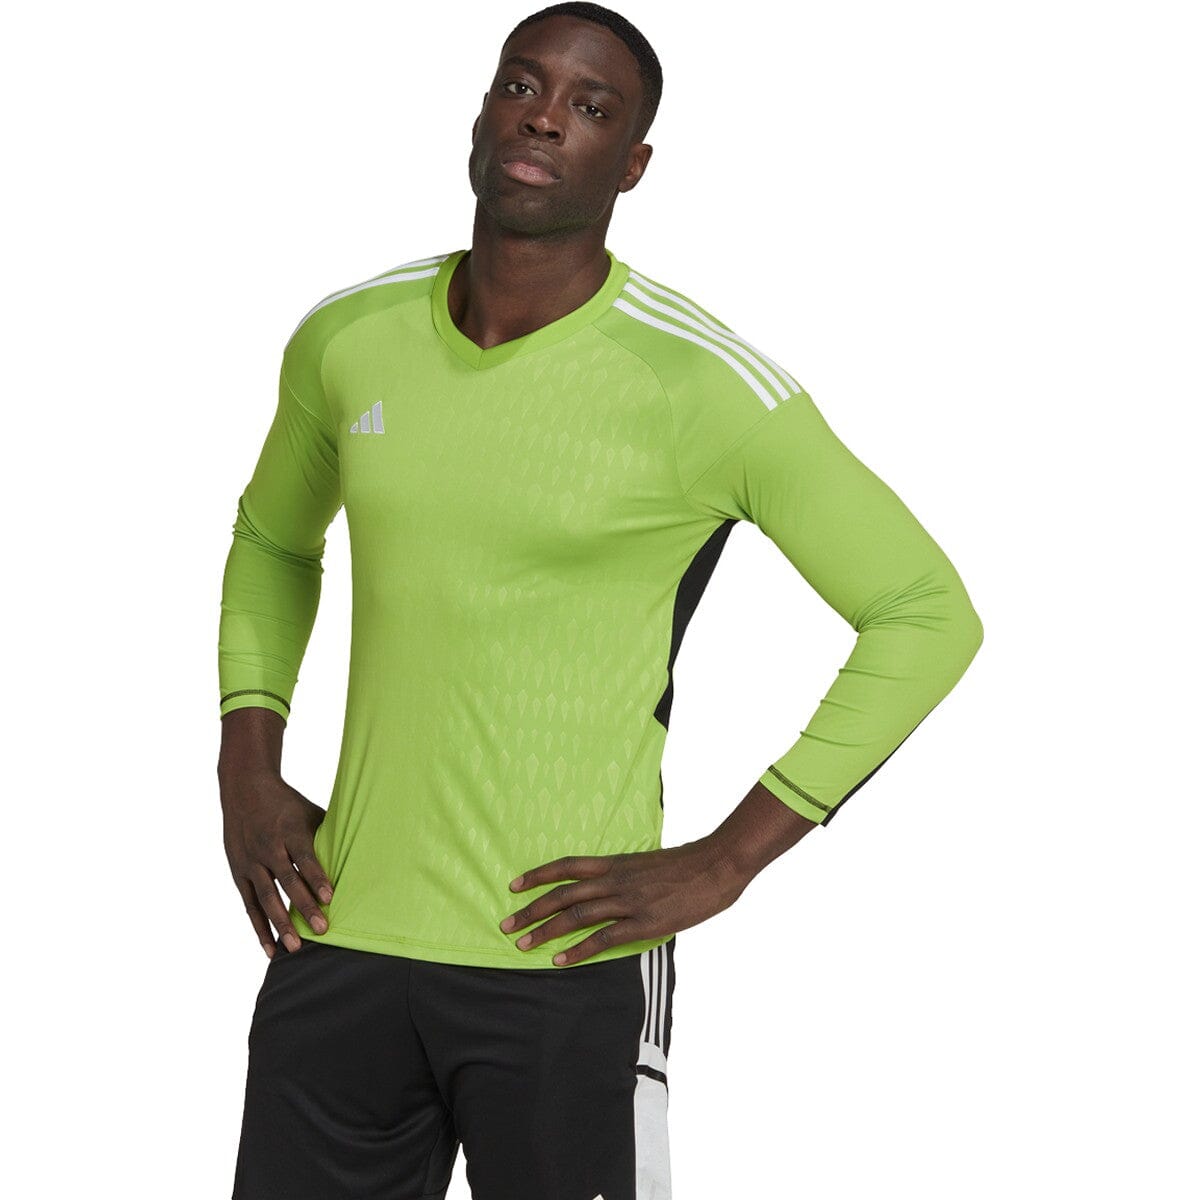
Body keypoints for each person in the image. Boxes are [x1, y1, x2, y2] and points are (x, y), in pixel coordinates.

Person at [217, 3, 984, 1196]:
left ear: (632, 165)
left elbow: (927, 613)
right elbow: (274, 538)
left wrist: (728, 859)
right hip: (340, 935)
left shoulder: (700, 382)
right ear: (483, 113)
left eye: (590, 107)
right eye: (523, 85)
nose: (544, 118)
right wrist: (247, 764)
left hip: (565, 962)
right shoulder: (349, 335)